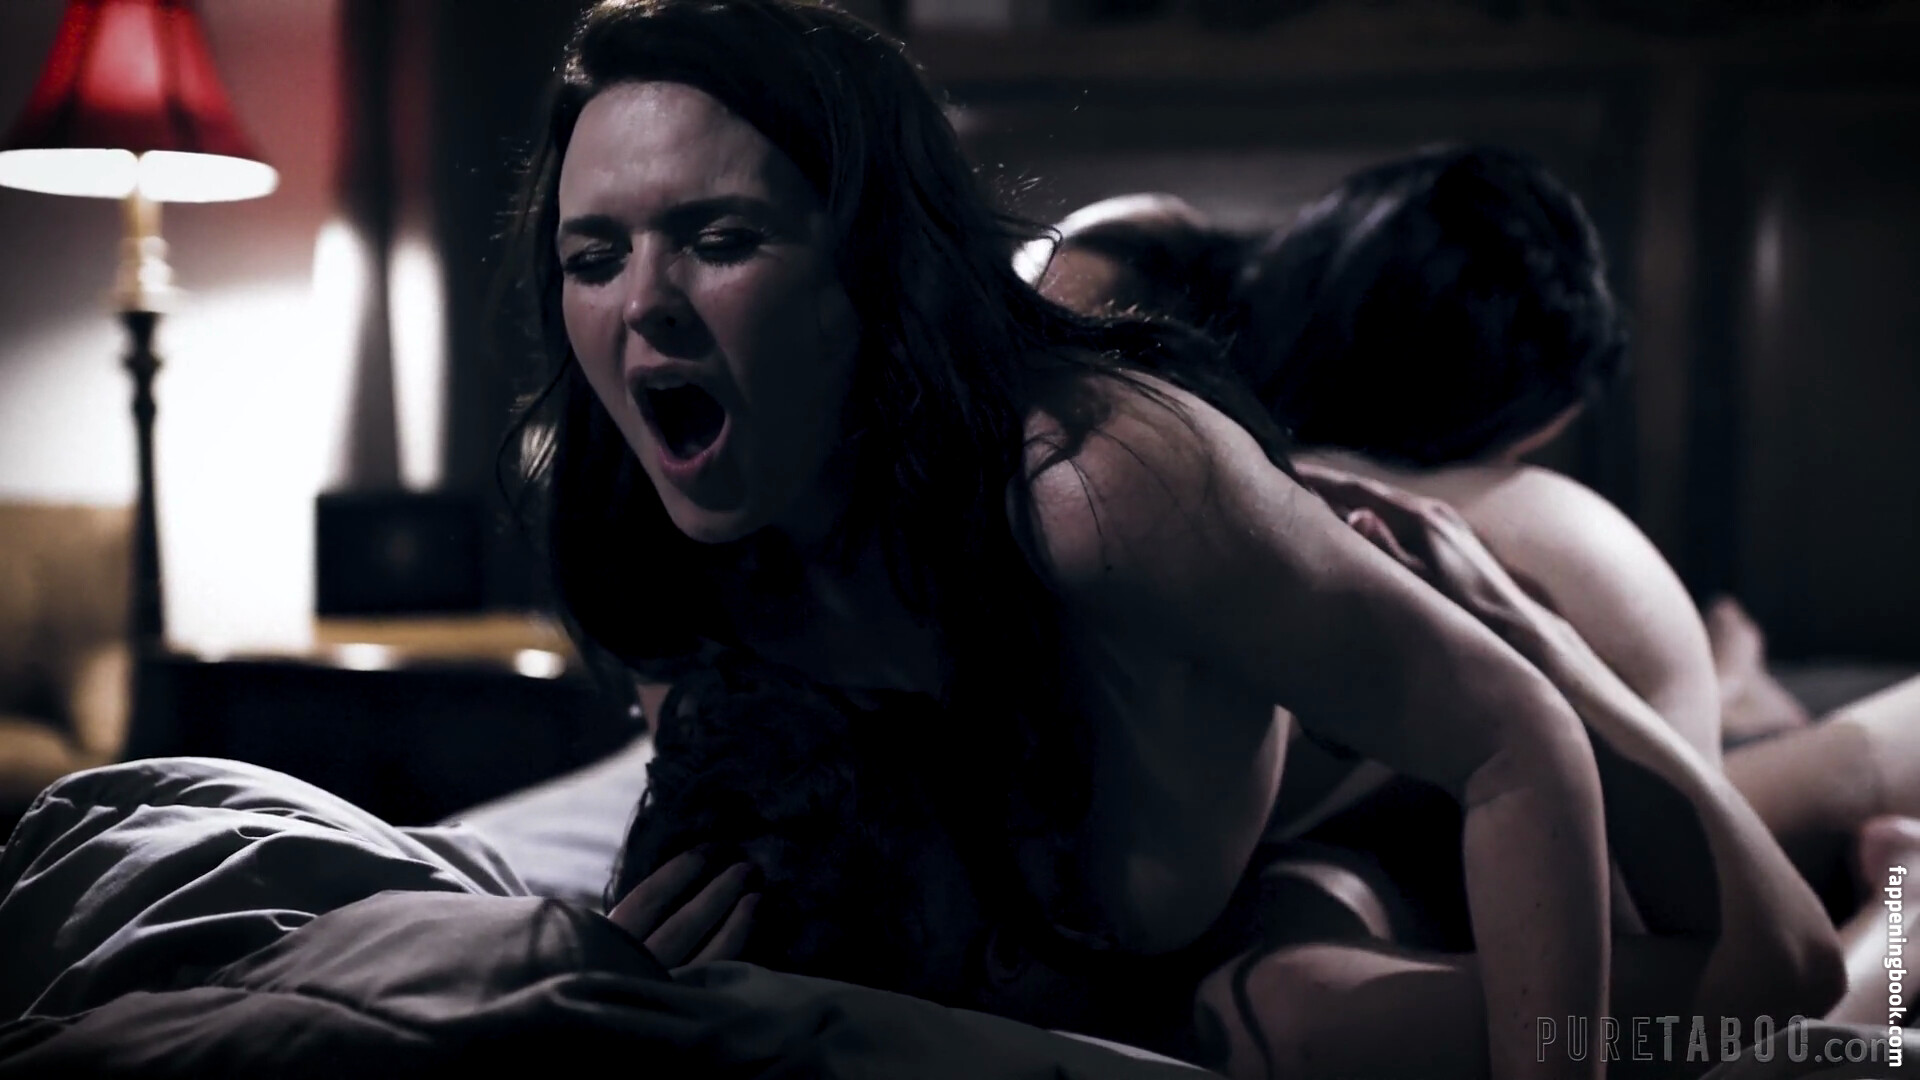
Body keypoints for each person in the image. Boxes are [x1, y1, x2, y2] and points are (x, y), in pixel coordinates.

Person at [495, 3, 1839, 1076]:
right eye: (592, 256)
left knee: (1792, 977)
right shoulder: (649, 517)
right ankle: (1756, 697)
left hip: (1510, 631)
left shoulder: (1100, 488)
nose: (643, 305)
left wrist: (1536, 648)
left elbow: (1525, 749)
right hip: (1307, 717)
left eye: (721, 238)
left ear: (874, 267)